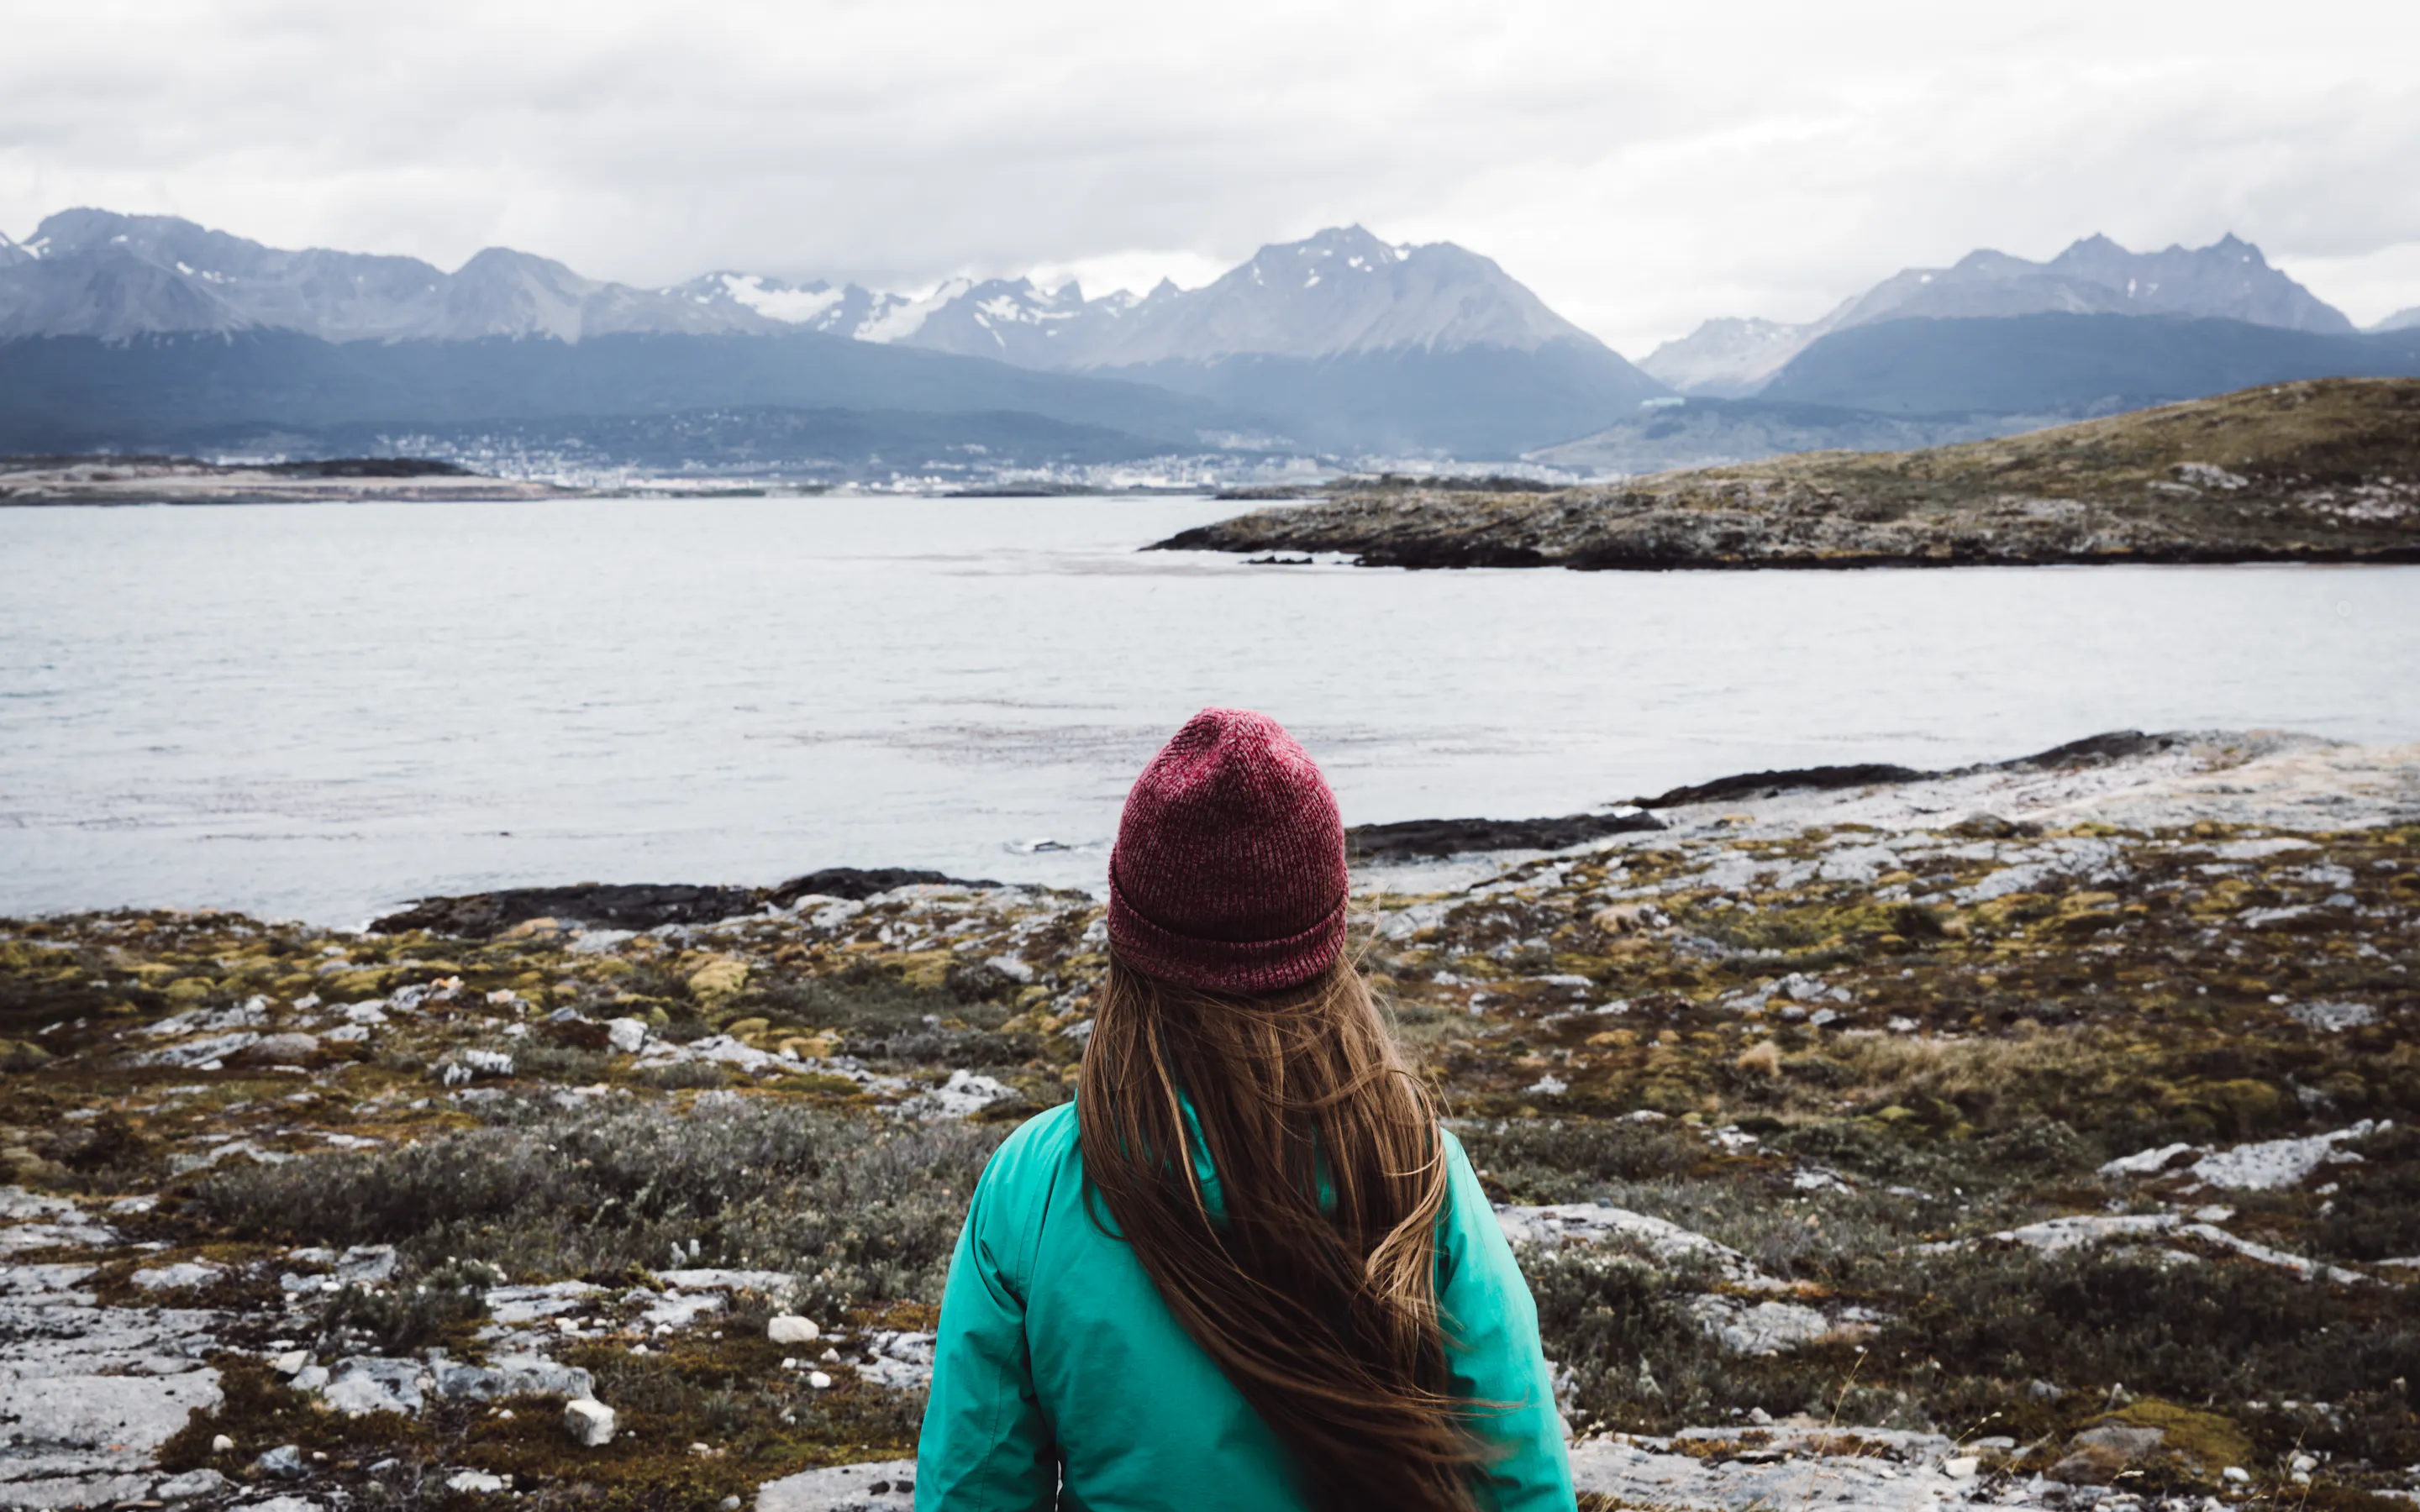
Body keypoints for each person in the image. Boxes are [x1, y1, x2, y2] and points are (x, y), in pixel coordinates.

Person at [916, 708, 1576, 1512]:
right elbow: (1522, 1482)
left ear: (1130, 939)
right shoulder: (1415, 1169)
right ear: (1324, 947)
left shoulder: (1036, 1186)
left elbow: (971, 1490)